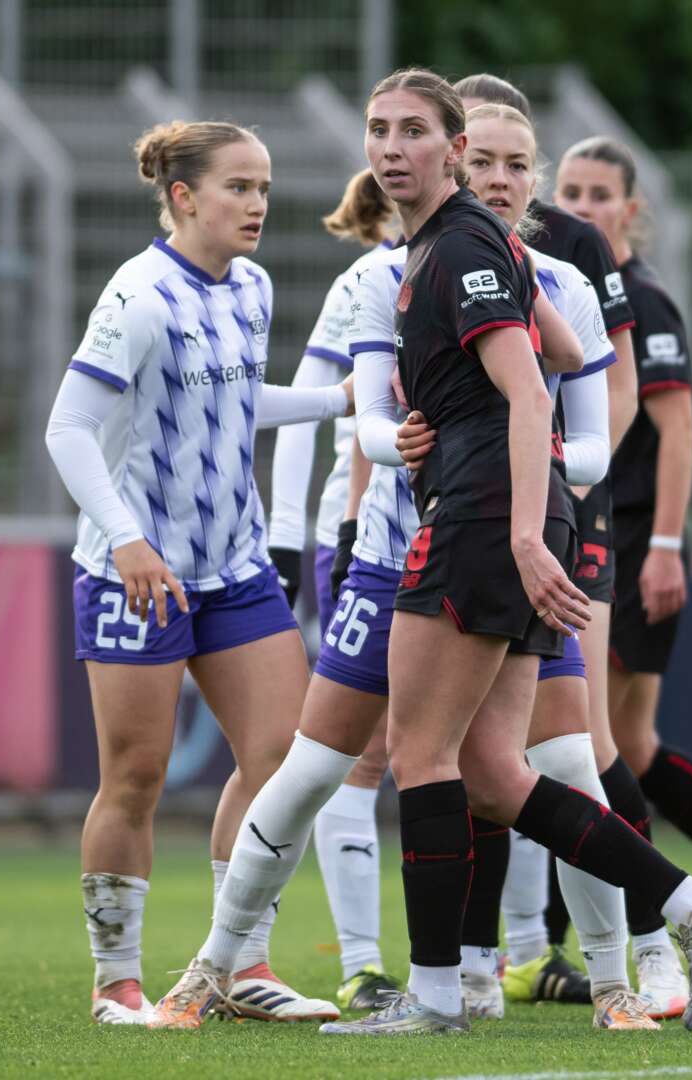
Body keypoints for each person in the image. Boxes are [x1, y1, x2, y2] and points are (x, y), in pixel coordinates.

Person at [149, 69, 692, 1037]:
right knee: (498, 775)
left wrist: (517, 528)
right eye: (378, 131)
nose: (390, 149)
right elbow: (559, 355)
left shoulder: (457, 248)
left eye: (413, 132)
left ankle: (442, 996)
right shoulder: (476, 248)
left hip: (480, 525)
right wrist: (425, 439)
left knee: (429, 756)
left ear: (452, 149)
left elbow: (528, 389)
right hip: (493, 520)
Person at [42, 119, 354, 1025]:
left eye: (263, 188)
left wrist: (333, 401)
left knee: (284, 763)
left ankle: (239, 966)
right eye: (238, 188)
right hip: (136, 572)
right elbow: (68, 428)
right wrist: (126, 539)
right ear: (183, 197)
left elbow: (231, 399)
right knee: (134, 777)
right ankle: (117, 981)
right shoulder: (136, 295)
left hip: (236, 569)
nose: (257, 204)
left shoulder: (251, 288)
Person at [557, 135, 692, 1010]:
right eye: (568, 188)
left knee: (590, 746)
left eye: (599, 192)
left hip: (630, 534)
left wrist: (665, 545)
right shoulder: (553, 282)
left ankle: (659, 922)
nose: (582, 205)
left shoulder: (641, 301)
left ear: (632, 209)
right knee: (618, 747)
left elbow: (678, 432)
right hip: (594, 527)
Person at [452, 73, 656, 1011]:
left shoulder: (567, 267)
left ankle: (639, 955)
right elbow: (374, 408)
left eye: (515, 163)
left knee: (575, 753)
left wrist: (553, 491)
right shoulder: (401, 259)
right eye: (481, 158)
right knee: (427, 763)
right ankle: (468, 968)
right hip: (434, 543)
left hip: (546, 539)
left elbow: (596, 412)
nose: (499, 177)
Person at [273, 167, 405, 1012]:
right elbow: (314, 407)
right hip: (364, 539)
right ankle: (361, 964)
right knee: (363, 752)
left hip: (472, 538)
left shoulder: (516, 269)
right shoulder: (367, 278)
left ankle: (500, 957)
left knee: (498, 751)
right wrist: (291, 537)